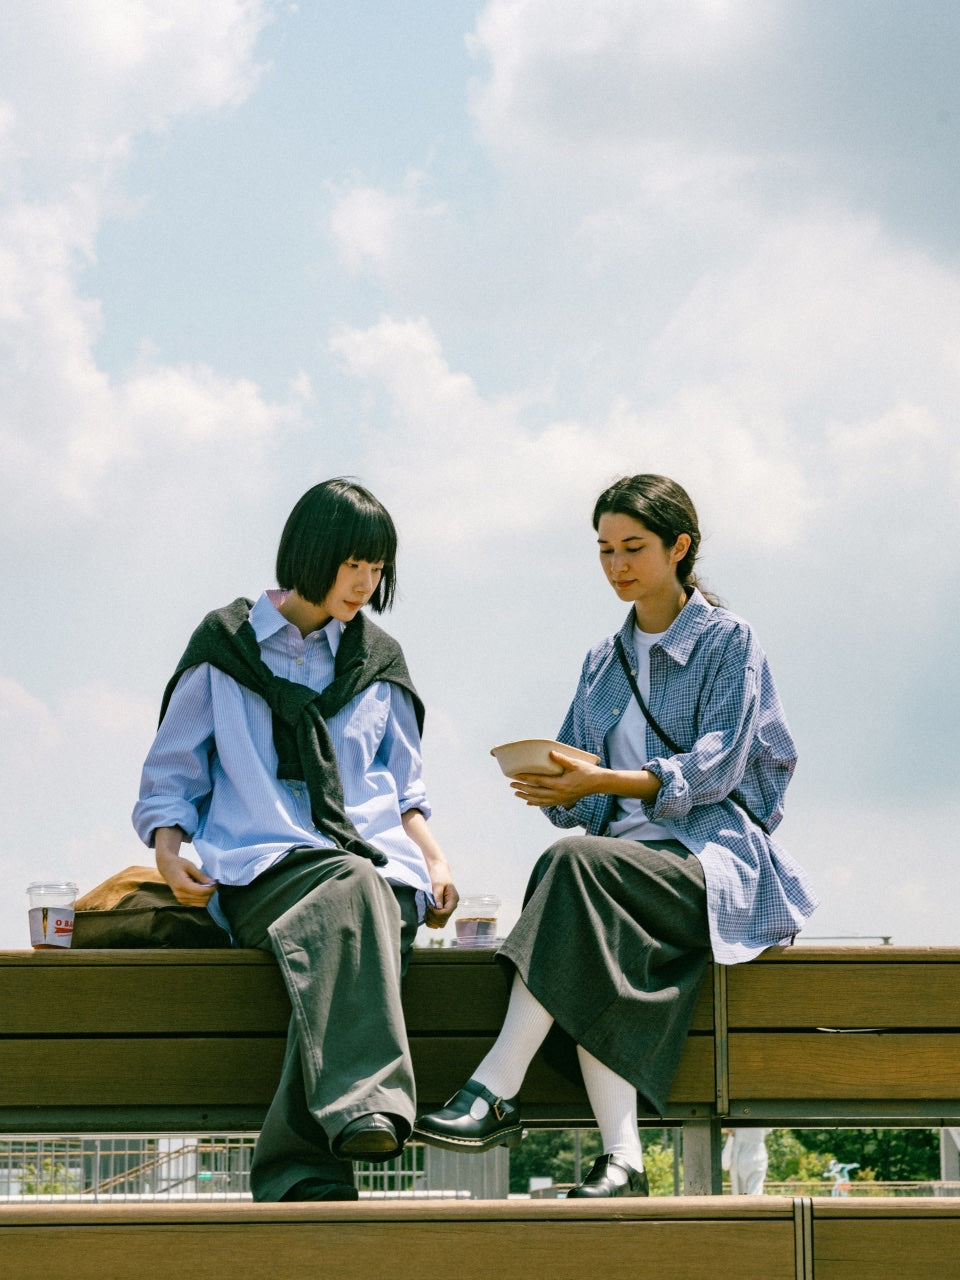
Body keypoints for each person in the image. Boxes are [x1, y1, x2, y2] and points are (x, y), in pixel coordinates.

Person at [414, 473, 817, 1198]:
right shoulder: (604, 660)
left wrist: (599, 783)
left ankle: (495, 1087)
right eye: (604, 550)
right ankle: (624, 1160)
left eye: (633, 547)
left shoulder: (730, 640)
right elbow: (581, 785)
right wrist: (553, 782)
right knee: (580, 894)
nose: (617, 565)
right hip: (618, 876)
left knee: (571, 867)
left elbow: (717, 767)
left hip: (708, 862)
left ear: (679, 547)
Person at [133, 478, 458, 1202]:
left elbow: (405, 790)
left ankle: (302, 1169)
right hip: (263, 868)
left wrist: (436, 862)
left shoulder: (379, 661)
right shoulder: (225, 648)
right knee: (353, 885)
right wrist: (168, 853)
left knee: (364, 887)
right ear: (309, 554)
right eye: (353, 565)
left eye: (378, 569)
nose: (366, 584)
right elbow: (172, 773)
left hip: (378, 873)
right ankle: (366, 1103)